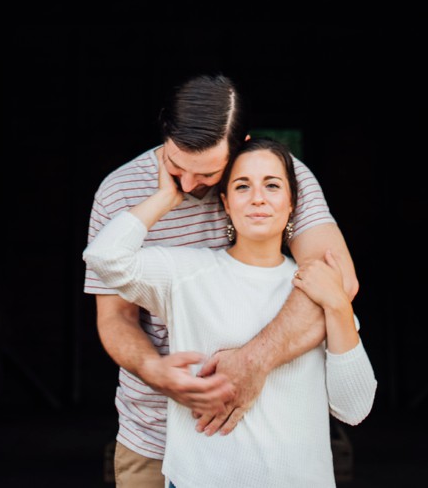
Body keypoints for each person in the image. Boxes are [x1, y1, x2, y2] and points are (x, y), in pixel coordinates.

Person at [84, 75, 358, 487]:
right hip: (154, 434)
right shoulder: (118, 190)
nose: (190, 184)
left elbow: (335, 281)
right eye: (177, 166)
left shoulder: (276, 177)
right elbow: (115, 317)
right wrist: (153, 368)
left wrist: (252, 363)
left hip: (262, 432)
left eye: (210, 173)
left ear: (240, 145)